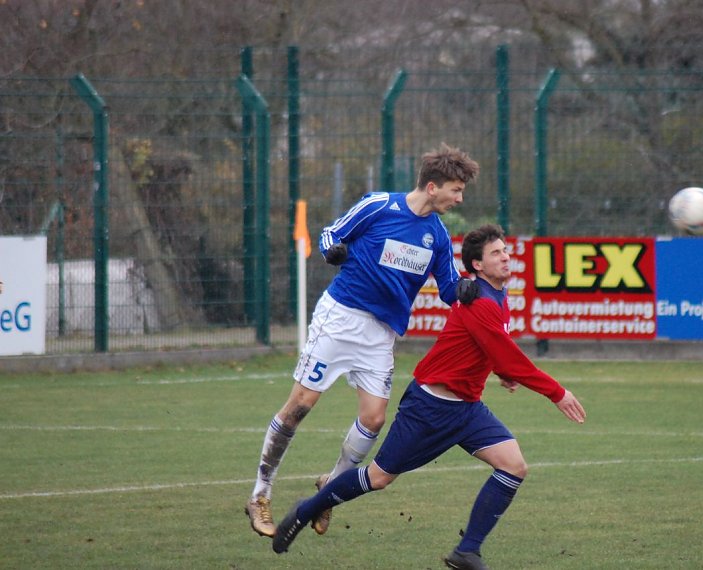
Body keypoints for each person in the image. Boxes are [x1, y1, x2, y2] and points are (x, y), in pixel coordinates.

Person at [270, 224, 587, 570]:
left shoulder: (498, 295)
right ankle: (306, 510)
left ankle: (467, 551)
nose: (506, 257)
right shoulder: (480, 300)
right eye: (496, 253)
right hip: (430, 407)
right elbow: (508, 354)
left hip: (466, 409)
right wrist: (556, 393)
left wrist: (504, 373)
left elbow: (493, 350)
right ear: (477, 265)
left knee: (513, 466)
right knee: (378, 478)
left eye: (505, 250)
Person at [245, 144, 481, 538]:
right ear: (433, 185)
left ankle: (331, 486)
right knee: (300, 405)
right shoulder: (379, 206)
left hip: (380, 335)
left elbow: (448, 288)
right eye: (456, 190)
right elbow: (330, 233)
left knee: (373, 419)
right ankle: (260, 494)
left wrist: (466, 291)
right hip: (340, 318)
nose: (459, 198)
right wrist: (331, 251)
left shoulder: (437, 236)